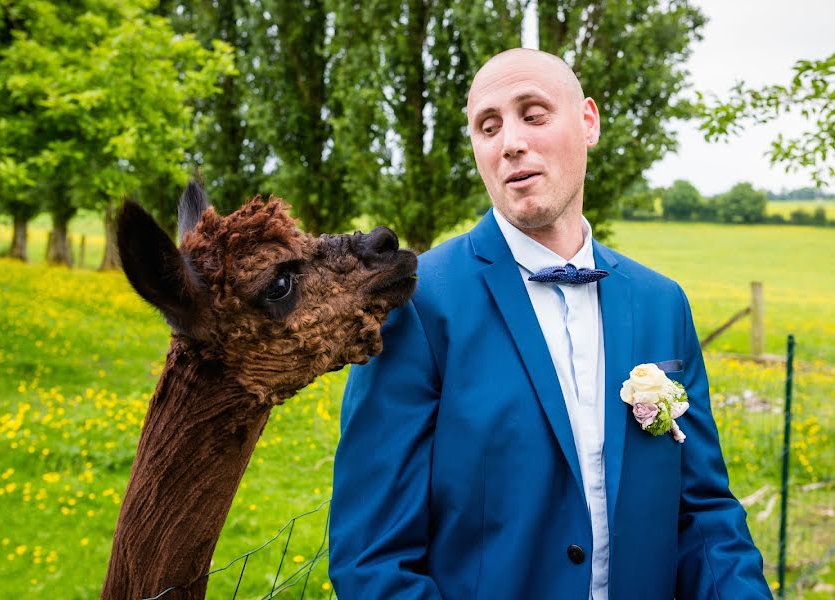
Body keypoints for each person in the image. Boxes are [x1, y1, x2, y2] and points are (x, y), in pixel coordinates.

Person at [328, 48, 771, 599]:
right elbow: (372, 561)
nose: (510, 141)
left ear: (588, 121)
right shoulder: (418, 304)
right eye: (487, 127)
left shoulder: (662, 303)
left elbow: (704, 516)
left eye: (533, 115)